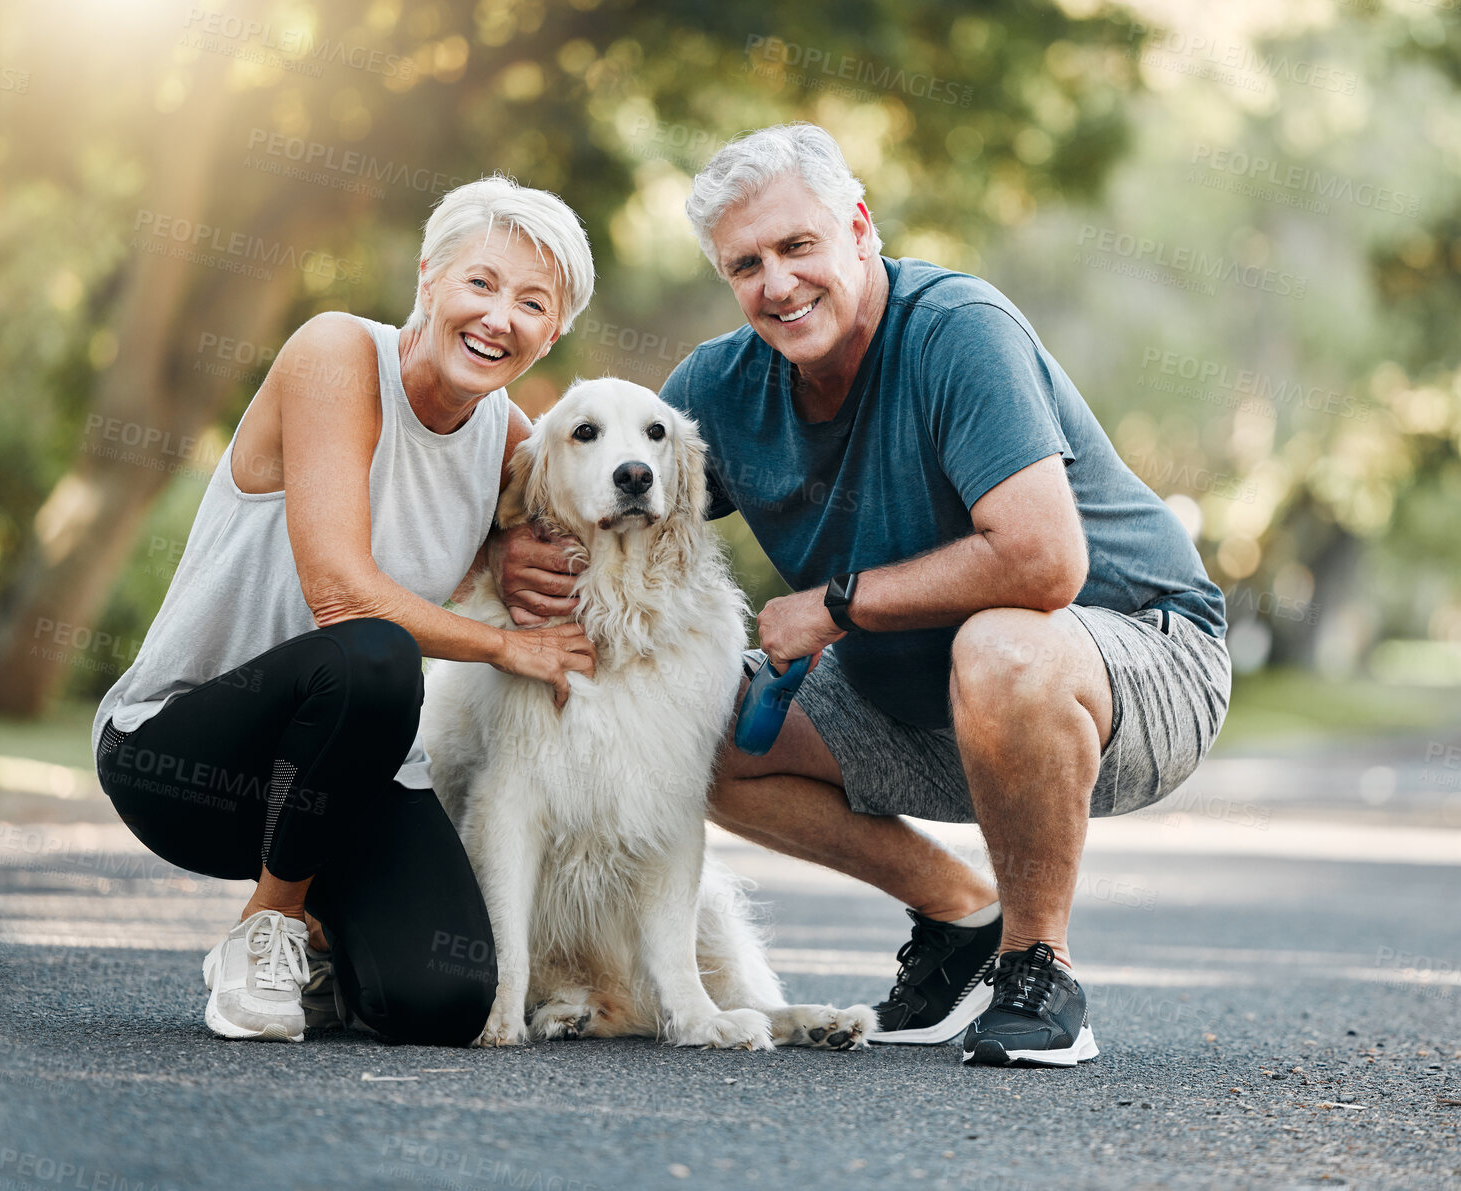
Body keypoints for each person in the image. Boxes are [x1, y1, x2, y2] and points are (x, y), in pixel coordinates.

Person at [493, 123, 1230, 1067]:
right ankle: (960, 911)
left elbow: (1046, 563)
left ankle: (1037, 966)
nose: (777, 283)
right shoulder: (716, 389)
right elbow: (601, 479)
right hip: (917, 687)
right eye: (746, 264)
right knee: (700, 733)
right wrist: (514, 543)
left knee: (1001, 646)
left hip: (1133, 663)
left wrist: (833, 605)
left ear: (858, 227)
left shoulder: (957, 331)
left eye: (798, 246)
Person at [92, 175, 597, 1045]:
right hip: (185, 758)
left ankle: (329, 947)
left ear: (550, 333)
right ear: (428, 279)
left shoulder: (514, 441)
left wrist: (505, 548)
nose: (498, 317)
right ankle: (269, 925)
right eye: (479, 283)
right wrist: (507, 648)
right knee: (374, 652)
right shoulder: (335, 353)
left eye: (531, 303)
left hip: (344, 782)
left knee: (442, 1002)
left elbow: (597, 531)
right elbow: (340, 593)